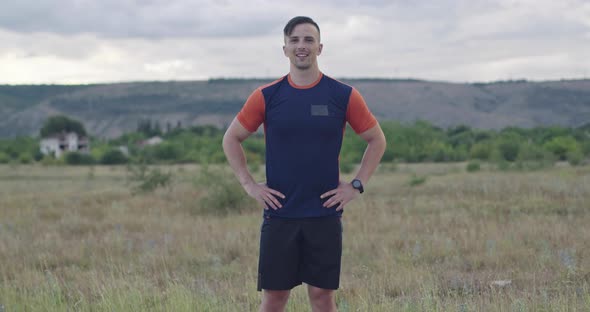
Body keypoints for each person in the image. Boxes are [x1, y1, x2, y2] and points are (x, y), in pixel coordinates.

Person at [222, 16, 386, 312]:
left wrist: (356, 185)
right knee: (274, 299)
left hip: (324, 214)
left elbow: (377, 140)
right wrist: (249, 185)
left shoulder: (342, 95)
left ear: (320, 48)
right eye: (295, 40)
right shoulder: (267, 96)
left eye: (309, 40)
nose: (302, 46)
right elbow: (231, 139)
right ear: (284, 48)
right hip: (279, 215)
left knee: (322, 298)